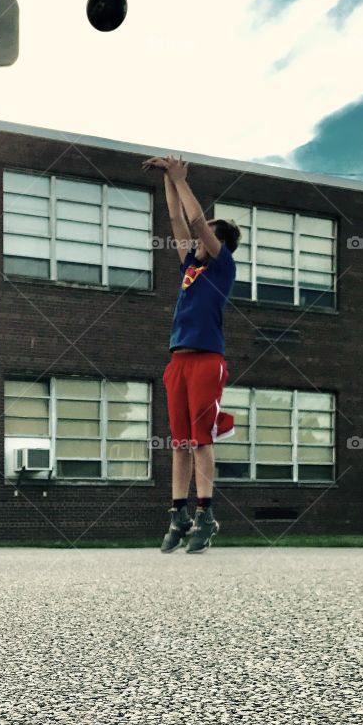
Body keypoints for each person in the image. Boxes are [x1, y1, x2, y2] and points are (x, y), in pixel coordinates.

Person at [142, 155, 241, 554]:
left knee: (201, 440)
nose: (197, 240)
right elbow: (176, 219)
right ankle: (178, 511)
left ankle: (206, 513)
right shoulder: (190, 264)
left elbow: (197, 220)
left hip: (206, 360)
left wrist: (183, 179)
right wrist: (169, 178)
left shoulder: (221, 265)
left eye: (206, 238)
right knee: (180, 443)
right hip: (178, 361)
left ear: (217, 244)